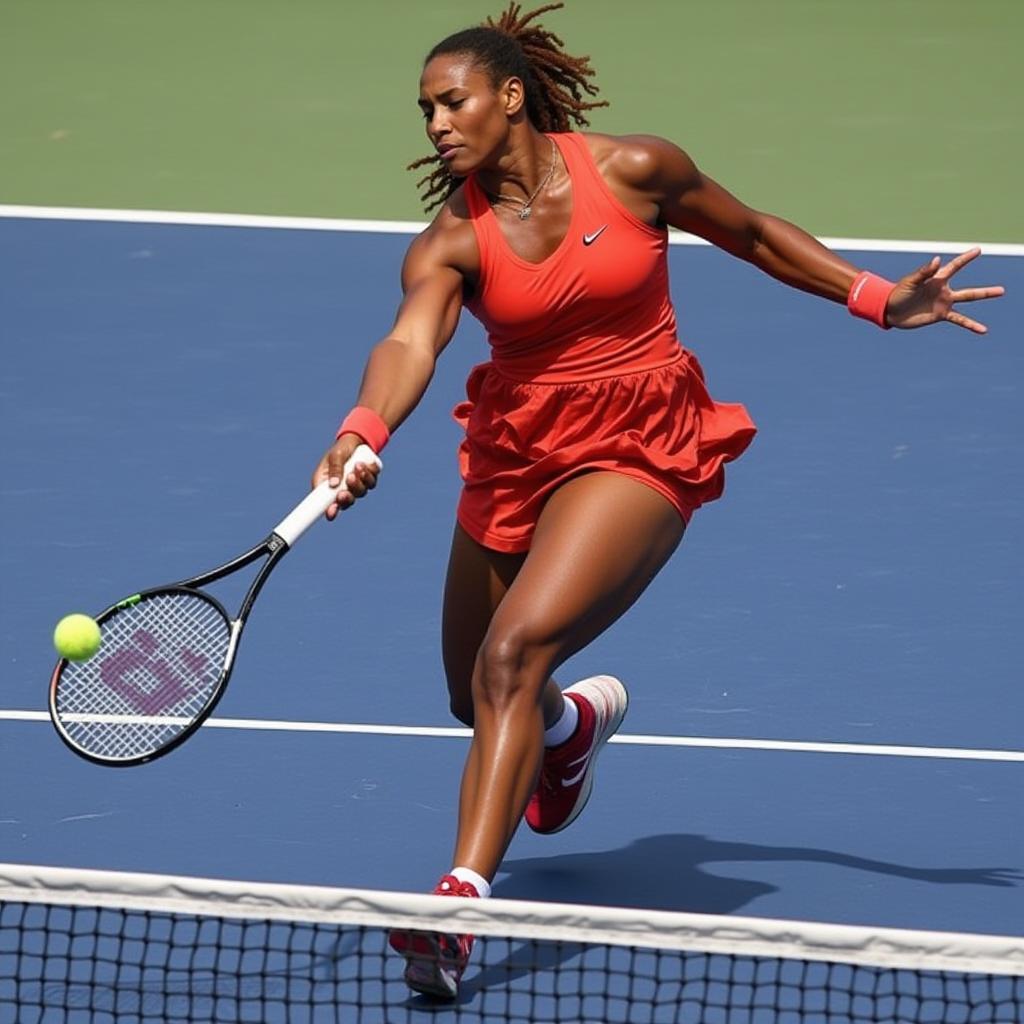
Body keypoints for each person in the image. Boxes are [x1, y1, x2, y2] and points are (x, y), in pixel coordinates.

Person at [310, 2, 1003, 1000]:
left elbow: (753, 232)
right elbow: (409, 344)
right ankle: (567, 730)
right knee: (475, 694)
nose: (434, 123)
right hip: (516, 448)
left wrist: (878, 299)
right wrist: (362, 430)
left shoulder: (634, 169)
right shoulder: (450, 241)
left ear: (511, 96)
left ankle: (455, 905)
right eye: (423, 109)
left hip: (640, 439)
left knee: (513, 653)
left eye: (450, 101)